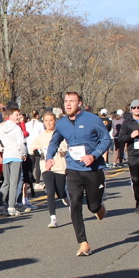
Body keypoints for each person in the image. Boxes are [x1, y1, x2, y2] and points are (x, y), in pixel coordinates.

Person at [45, 92, 113, 257]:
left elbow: (106, 140)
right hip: (73, 169)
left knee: (93, 206)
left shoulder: (93, 120)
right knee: (74, 202)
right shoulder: (62, 123)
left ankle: (98, 207)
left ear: (80, 103)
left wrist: (94, 155)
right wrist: (49, 157)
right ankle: (83, 243)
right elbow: (54, 142)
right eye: (66, 101)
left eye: (72, 101)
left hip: (93, 169)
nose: (68, 104)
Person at [0, 106, 28, 217]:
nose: (18, 117)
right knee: (14, 182)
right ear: (10, 116)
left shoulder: (2, 128)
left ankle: (0, 205)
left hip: (6, 157)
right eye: (16, 115)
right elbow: (21, 143)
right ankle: (11, 207)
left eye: (19, 115)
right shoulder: (16, 128)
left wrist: (0, 148)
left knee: (6, 182)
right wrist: (24, 153)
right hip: (16, 156)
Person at [115, 99, 139, 215]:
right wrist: (131, 136)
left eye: (138, 107)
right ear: (131, 109)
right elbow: (121, 138)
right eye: (134, 107)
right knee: (136, 180)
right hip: (133, 154)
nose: (136, 109)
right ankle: (138, 202)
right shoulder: (126, 122)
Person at [32, 111, 68, 228]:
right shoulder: (41, 135)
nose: (48, 123)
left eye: (51, 120)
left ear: (55, 121)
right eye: (46, 121)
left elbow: (66, 146)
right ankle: (53, 218)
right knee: (50, 191)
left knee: (60, 192)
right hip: (46, 166)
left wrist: (59, 148)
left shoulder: (60, 134)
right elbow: (32, 147)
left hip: (59, 165)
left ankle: (66, 198)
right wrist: (37, 148)